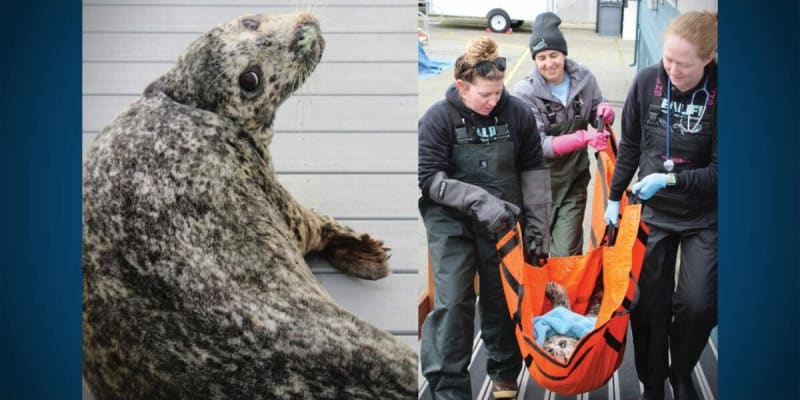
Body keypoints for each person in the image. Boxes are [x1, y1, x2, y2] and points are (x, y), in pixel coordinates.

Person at [418, 37, 551, 400]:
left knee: (502, 297)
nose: (494, 102)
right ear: (462, 86)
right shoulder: (436, 119)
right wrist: (479, 199)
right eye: (485, 95)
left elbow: (534, 173)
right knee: (453, 302)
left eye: (498, 92)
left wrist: (539, 230)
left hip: (504, 224)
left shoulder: (518, 114)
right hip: (452, 223)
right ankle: (450, 389)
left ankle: (505, 375)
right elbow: (430, 180)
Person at [604, 11, 718, 400]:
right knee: (646, 303)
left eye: (682, 65)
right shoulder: (647, 81)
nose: (671, 70)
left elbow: (724, 172)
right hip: (652, 211)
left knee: (699, 303)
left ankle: (680, 370)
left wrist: (671, 179)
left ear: (708, 57)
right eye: (667, 60)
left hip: (703, 214)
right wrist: (613, 196)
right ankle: (652, 380)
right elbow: (632, 145)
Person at [512, 12, 616, 257]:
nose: (549, 63)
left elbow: (596, 111)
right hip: (537, 185)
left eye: (554, 55)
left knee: (566, 252)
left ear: (564, 53)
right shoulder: (524, 92)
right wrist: (584, 138)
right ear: (535, 60)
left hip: (573, 179)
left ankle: (565, 295)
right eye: (541, 57)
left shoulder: (585, 79)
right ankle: (537, 296)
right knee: (535, 251)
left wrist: (605, 113)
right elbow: (539, 145)